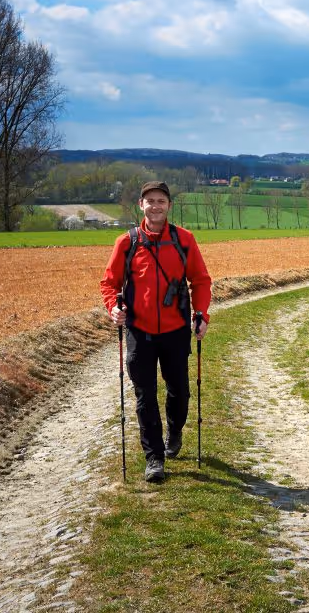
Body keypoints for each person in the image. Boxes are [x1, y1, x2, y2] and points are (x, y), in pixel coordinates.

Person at [100, 181, 212, 482]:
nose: (156, 206)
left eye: (161, 201)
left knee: (180, 392)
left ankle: (174, 431)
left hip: (176, 330)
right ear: (141, 205)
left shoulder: (184, 240)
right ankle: (154, 458)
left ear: (169, 205)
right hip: (139, 332)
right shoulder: (127, 242)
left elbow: (201, 281)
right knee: (144, 396)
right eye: (150, 201)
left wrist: (201, 314)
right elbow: (109, 283)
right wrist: (114, 307)